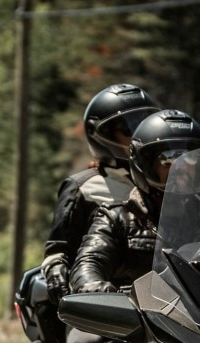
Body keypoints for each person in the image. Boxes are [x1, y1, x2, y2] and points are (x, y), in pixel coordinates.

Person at [51, 109, 200, 343]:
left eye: (191, 158)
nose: (182, 167)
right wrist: (102, 294)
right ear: (144, 164)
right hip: (131, 320)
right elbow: (88, 264)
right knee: (83, 341)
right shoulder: (117, 217)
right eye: (170, 160)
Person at [42, 84, 160, 305]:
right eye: (129, 128)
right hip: (104, 299)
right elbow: (59, 251)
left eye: (145, 126)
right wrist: (60, 275)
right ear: (104, 135)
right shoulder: (83, 187)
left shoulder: (165, 184)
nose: (139, 136)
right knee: (83, 342)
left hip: (166, 296)